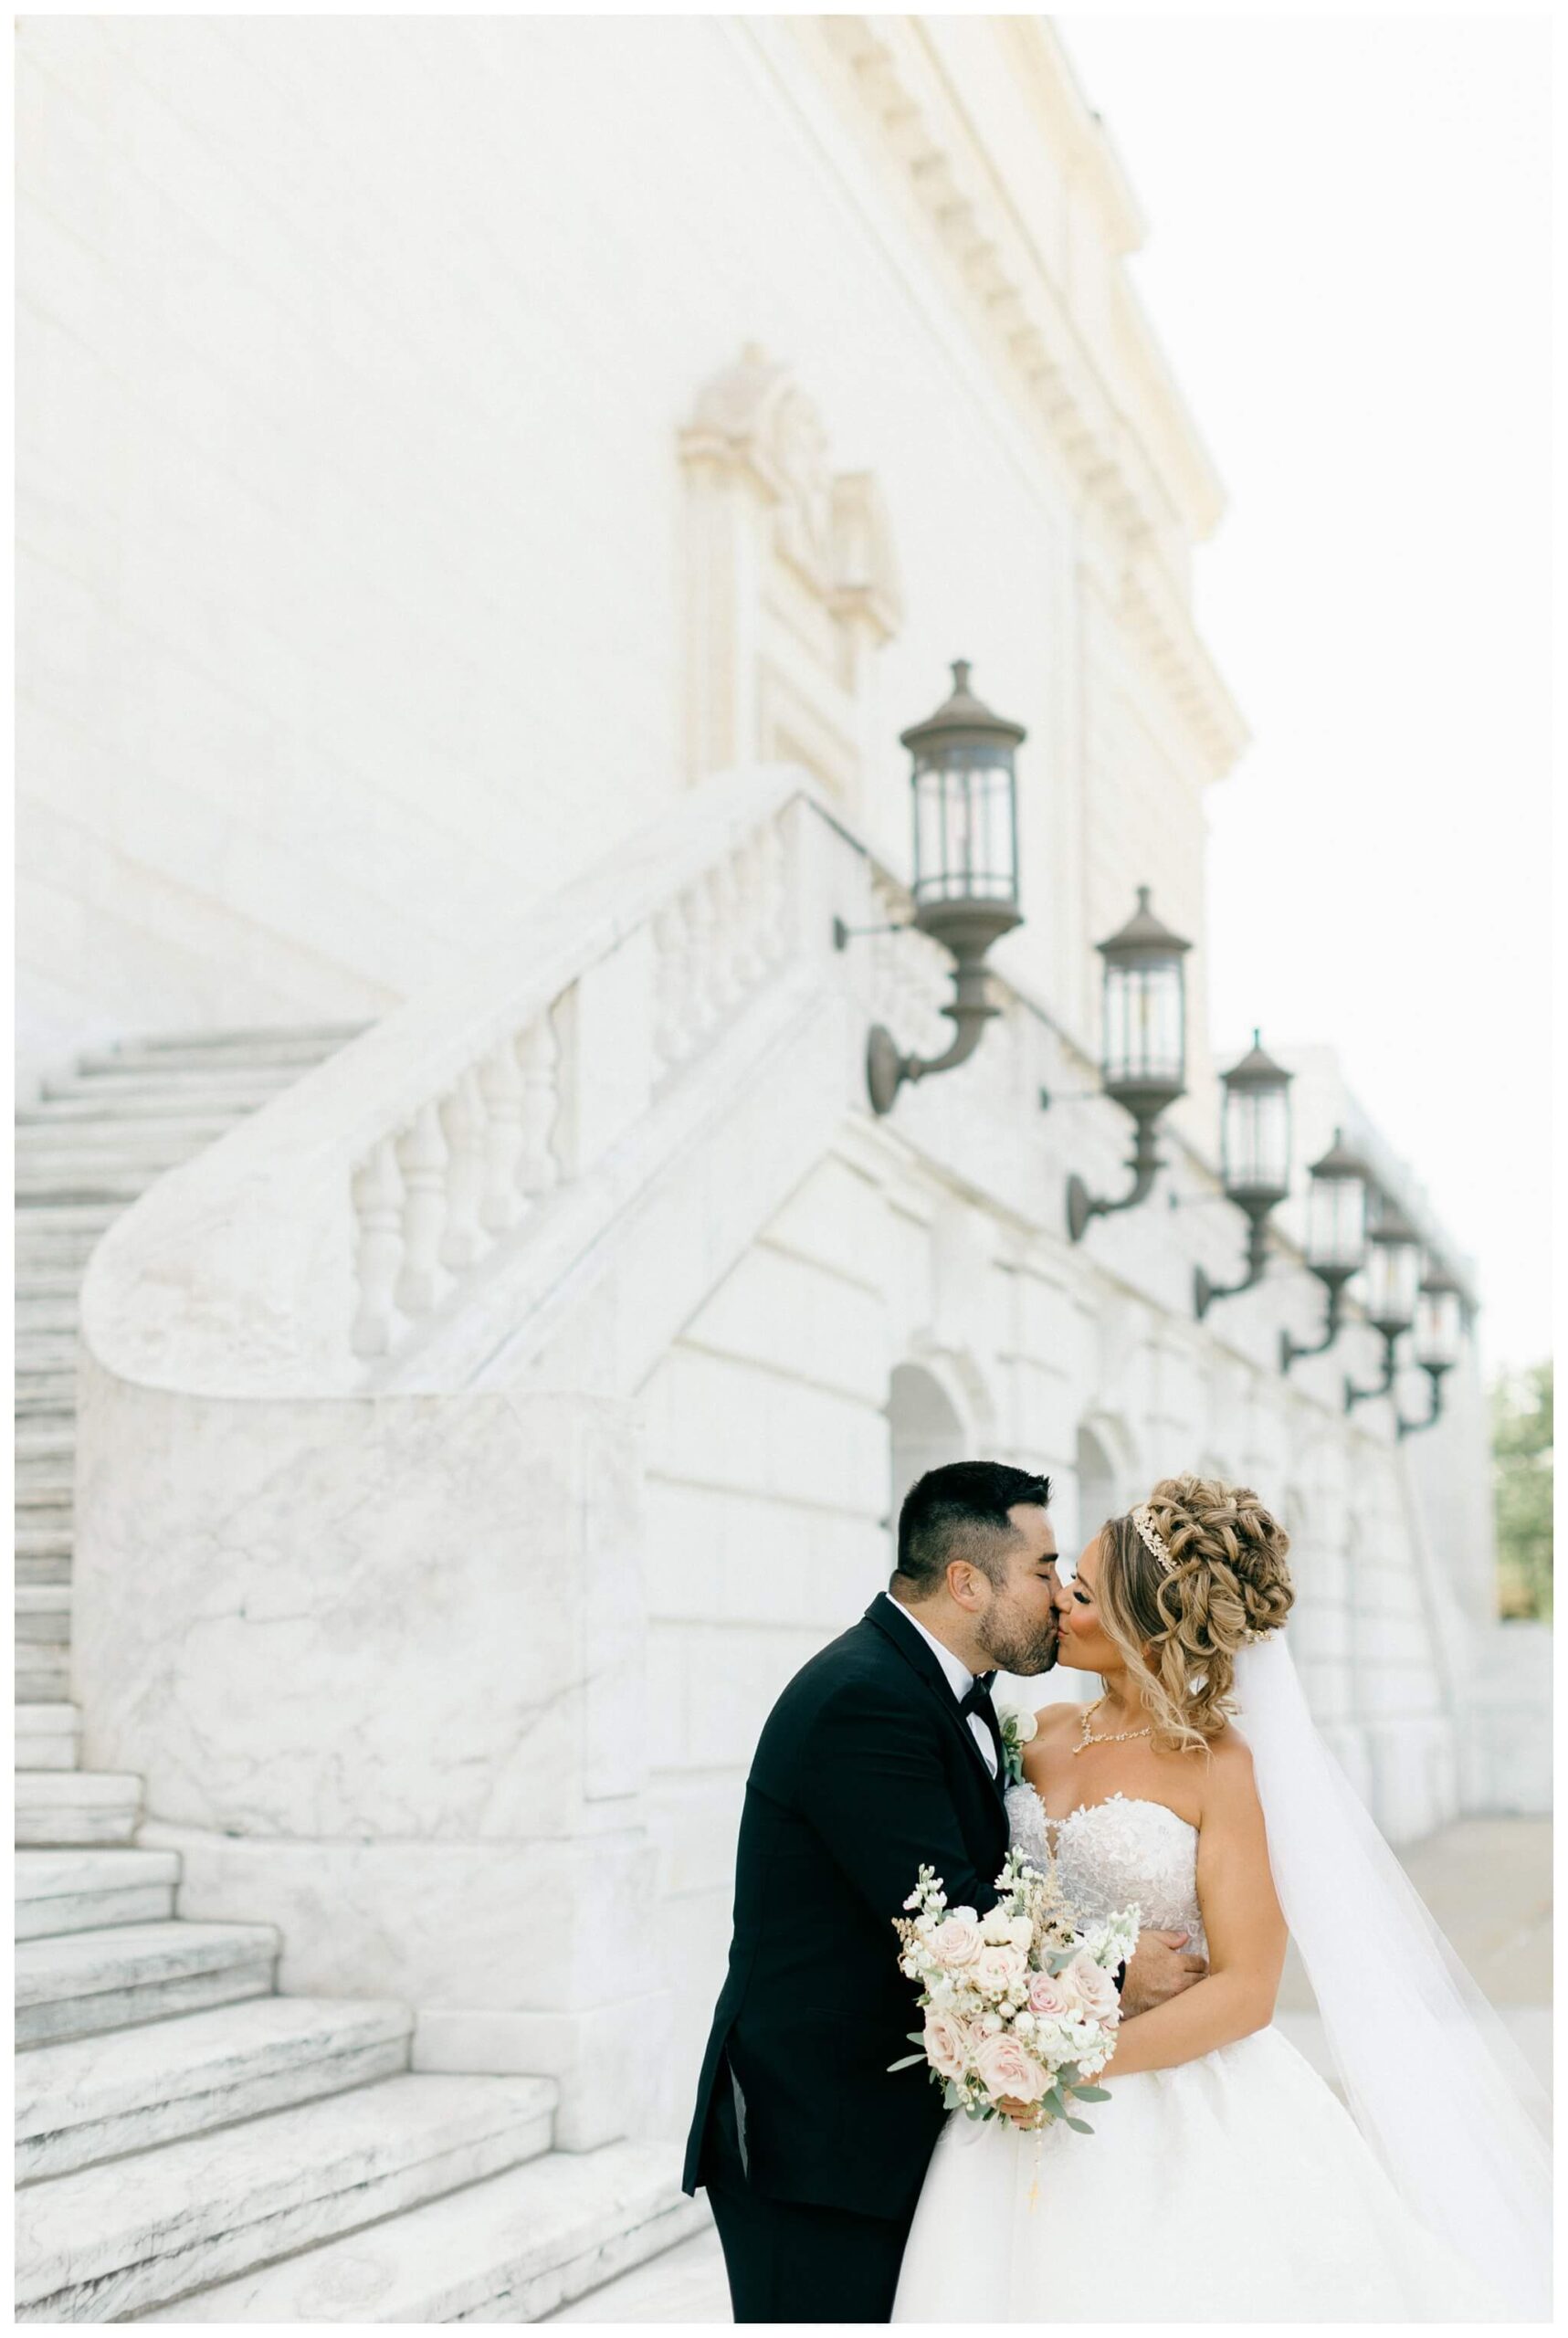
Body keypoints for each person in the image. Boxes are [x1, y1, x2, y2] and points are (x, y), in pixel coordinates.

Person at [892, 1475, 1552, 2322]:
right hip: (1009, 2111)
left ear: (1143, 1625)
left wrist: (1068, 2065)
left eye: (1082, 1592)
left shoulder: (1221, 1767)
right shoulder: (1042, 1730)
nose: (1056, 1601)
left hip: (1165, 2104)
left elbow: (1245, 1991)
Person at [681, 1460, 1205, 2324]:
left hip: (898, 2134)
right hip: (816, 2145)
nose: (1056, 1596)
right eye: (1042, 1571)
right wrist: (1116, 1977)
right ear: (967, 1582)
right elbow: (953, 1920)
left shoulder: (952, 1695)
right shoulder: (864, 1699)